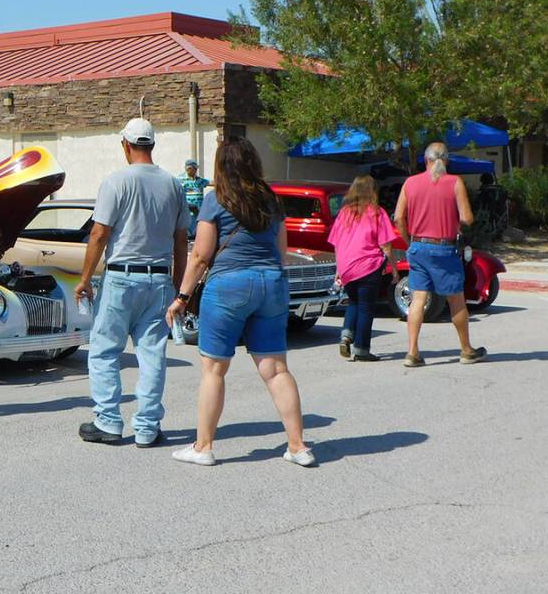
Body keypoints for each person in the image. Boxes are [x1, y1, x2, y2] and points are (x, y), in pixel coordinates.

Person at [166, 137, 315, 467]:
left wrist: (181, 297)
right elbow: (280, 252)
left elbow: (202, 255)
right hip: (271, 284)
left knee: (214, 369)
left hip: (230, 284)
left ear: (221, 165)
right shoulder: (270, 199)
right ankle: (298, 445)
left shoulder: (215, 199)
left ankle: (203, 447)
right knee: (276, 369)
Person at [74, 117, 190, 448]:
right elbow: (181, 241)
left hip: (121, 277)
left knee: (104, 350)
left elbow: (99, 233)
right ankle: (148, 427)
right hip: (159, 281)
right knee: (152, 354)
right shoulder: (173, 184)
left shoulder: (116, 182)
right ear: (151, 145)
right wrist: (179, 290)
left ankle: (109, 421)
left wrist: (85, 278)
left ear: (125, 145)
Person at [394, 143, 486, 367]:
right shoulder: (454, 182)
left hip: (418, 246)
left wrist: (409, 242)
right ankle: (466, 350)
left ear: (425, 160)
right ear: (446, 161)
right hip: (444, 248)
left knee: (418, 299)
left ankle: (413, 352)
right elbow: (467, 218)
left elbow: (398, 219)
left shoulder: (410, 183)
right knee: (456, 300)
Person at [327, 175, 399, 361]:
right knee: (366, 307)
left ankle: (346, 335)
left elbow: (336, 243)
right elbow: (386, 245)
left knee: (354, 301)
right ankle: (361, 349)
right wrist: (394, 269)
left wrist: (338, 269)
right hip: (368, 266)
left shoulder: (344, 213)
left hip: (346, 268)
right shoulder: (377, 212)